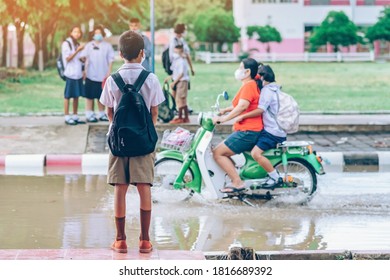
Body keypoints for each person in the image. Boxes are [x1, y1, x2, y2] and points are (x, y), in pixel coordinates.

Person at [99, 31, 165, 254]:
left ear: (120, 54)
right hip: (143, 142)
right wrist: (146, 130)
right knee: (144, 186)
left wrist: (118, 128)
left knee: (120, 188)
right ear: (142, 53)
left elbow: (109, 110)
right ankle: (145, 241)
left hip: (118, 142)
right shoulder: (151, 78)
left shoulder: (112, 80)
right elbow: (154, 111)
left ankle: (120, 240)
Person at [212, 58, 263, 193]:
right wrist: (224, 110)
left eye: (240, 68)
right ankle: (235, 177)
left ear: (247, 71)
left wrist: (223, 119)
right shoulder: (250, 84)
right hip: (248, 130)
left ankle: (237, 182)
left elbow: (242, 107)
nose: (238, 70)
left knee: (218, 153)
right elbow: (241, 105)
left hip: (248, 131)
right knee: (221, 151)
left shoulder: (249, 85)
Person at [236, 64, 287, 188]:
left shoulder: (267, 90)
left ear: (262, 78)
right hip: (277, 130)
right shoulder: (275, 88)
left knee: (255, 154)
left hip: (272, 133)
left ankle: (275, 177)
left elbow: (261, 109)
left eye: (257, 77)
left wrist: (243, 116)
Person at [81, 25, 115, 122]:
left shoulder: (107, 46)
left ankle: (101, 113)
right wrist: (84, 69)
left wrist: (108, 72)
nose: (98, 35)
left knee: (101, 96)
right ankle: (89, 114)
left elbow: (111, 60)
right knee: (89, 95)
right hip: (90, 75)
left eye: (99, 33)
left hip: (103, 75)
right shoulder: (89, 45)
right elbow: (83, 57)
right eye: (96, 33)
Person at [62, 26, 85, 125]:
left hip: (78, 74)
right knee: (68, 96)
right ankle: (67, 116)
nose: (77, 34)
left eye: (78, 32)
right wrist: (77, 51)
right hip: (70, 74)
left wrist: (83, 59)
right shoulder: (66, 44)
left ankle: (75, 116)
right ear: (71, 32)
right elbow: (67, 59)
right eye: (75, 31)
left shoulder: (77, 44)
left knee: (76, 95)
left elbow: (78, 58)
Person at [164, 44, 190, 124]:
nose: (174, 52)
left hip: (181, 81)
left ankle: (180, 117)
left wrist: (174, 83)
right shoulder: (177, 60)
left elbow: (181, 74)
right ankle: (185, 117)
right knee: (182, 100)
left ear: (180, 50)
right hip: (179, 81)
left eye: (176, 50)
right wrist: (169, 78)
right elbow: (176, 73)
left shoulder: (182, 61)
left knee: (180, 100)